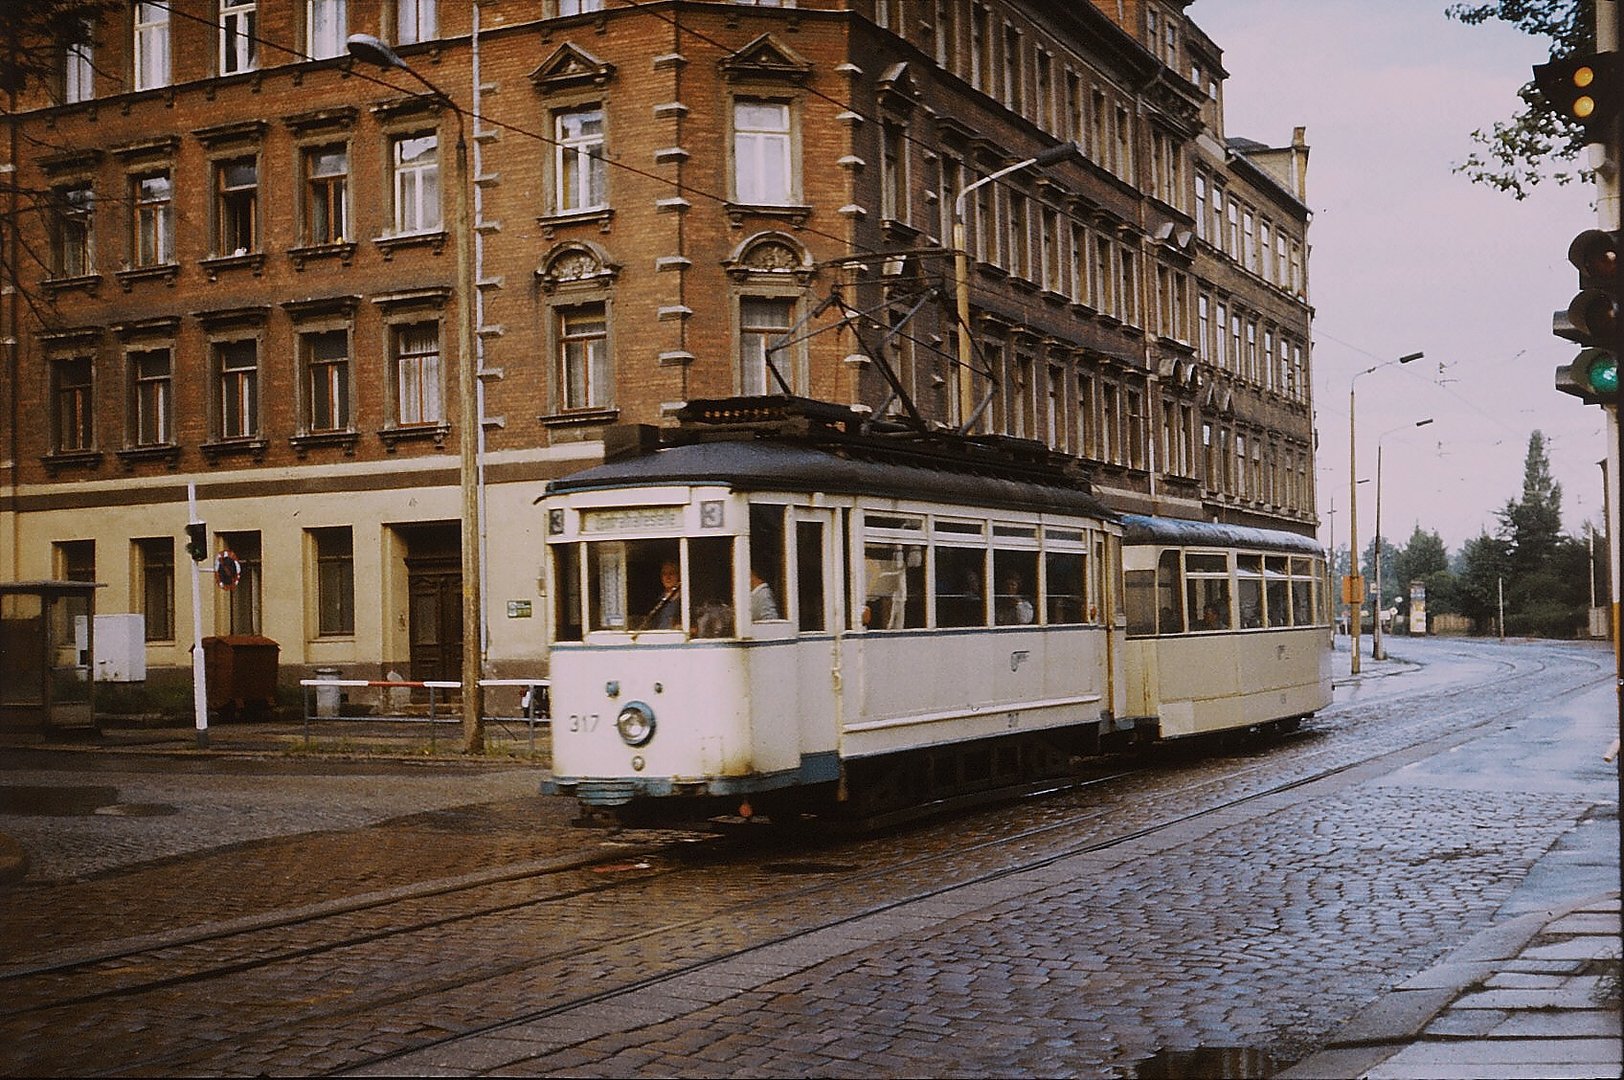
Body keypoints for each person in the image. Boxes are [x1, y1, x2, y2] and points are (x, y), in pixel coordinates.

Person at [644, 560, 681, 629]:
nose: (668, 577)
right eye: (664, 574)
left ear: (678, 576)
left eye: (671, 573)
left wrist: (679, 627)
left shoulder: (685, 601)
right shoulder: (657, 602)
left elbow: (694, 628)